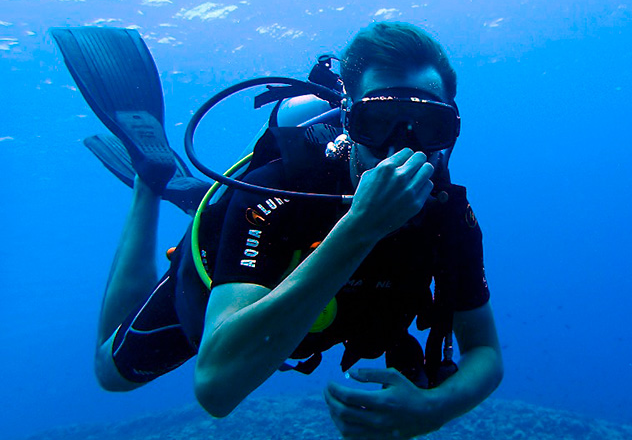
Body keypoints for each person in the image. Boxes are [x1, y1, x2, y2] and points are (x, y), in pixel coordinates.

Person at [53, 22, 503, 439]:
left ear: (452, 129)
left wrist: (434, 408)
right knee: (109, 375)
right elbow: (215, 389)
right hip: (237, 255)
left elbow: (484, 351)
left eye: (429, 125)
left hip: (305, 299)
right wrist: (361, 228)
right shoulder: (276, 191)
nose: (400, 147)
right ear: (348, 120)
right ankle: (149, 182)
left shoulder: (448, 217)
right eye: (377, 122)